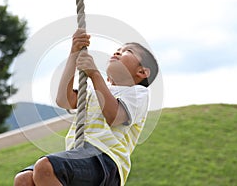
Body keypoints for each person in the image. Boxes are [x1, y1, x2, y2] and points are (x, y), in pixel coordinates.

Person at [14, 28, 159, 186]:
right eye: (118, 49)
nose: (118, 52)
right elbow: (63, 100)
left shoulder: (138, 93)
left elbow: (114, 117)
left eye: (127, 51)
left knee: (45, 167)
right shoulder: (93, 89)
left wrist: (95, 74)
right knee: (23, 180)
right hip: (80, 154)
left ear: (142, 71)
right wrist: (73, 54)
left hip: (106, 160)